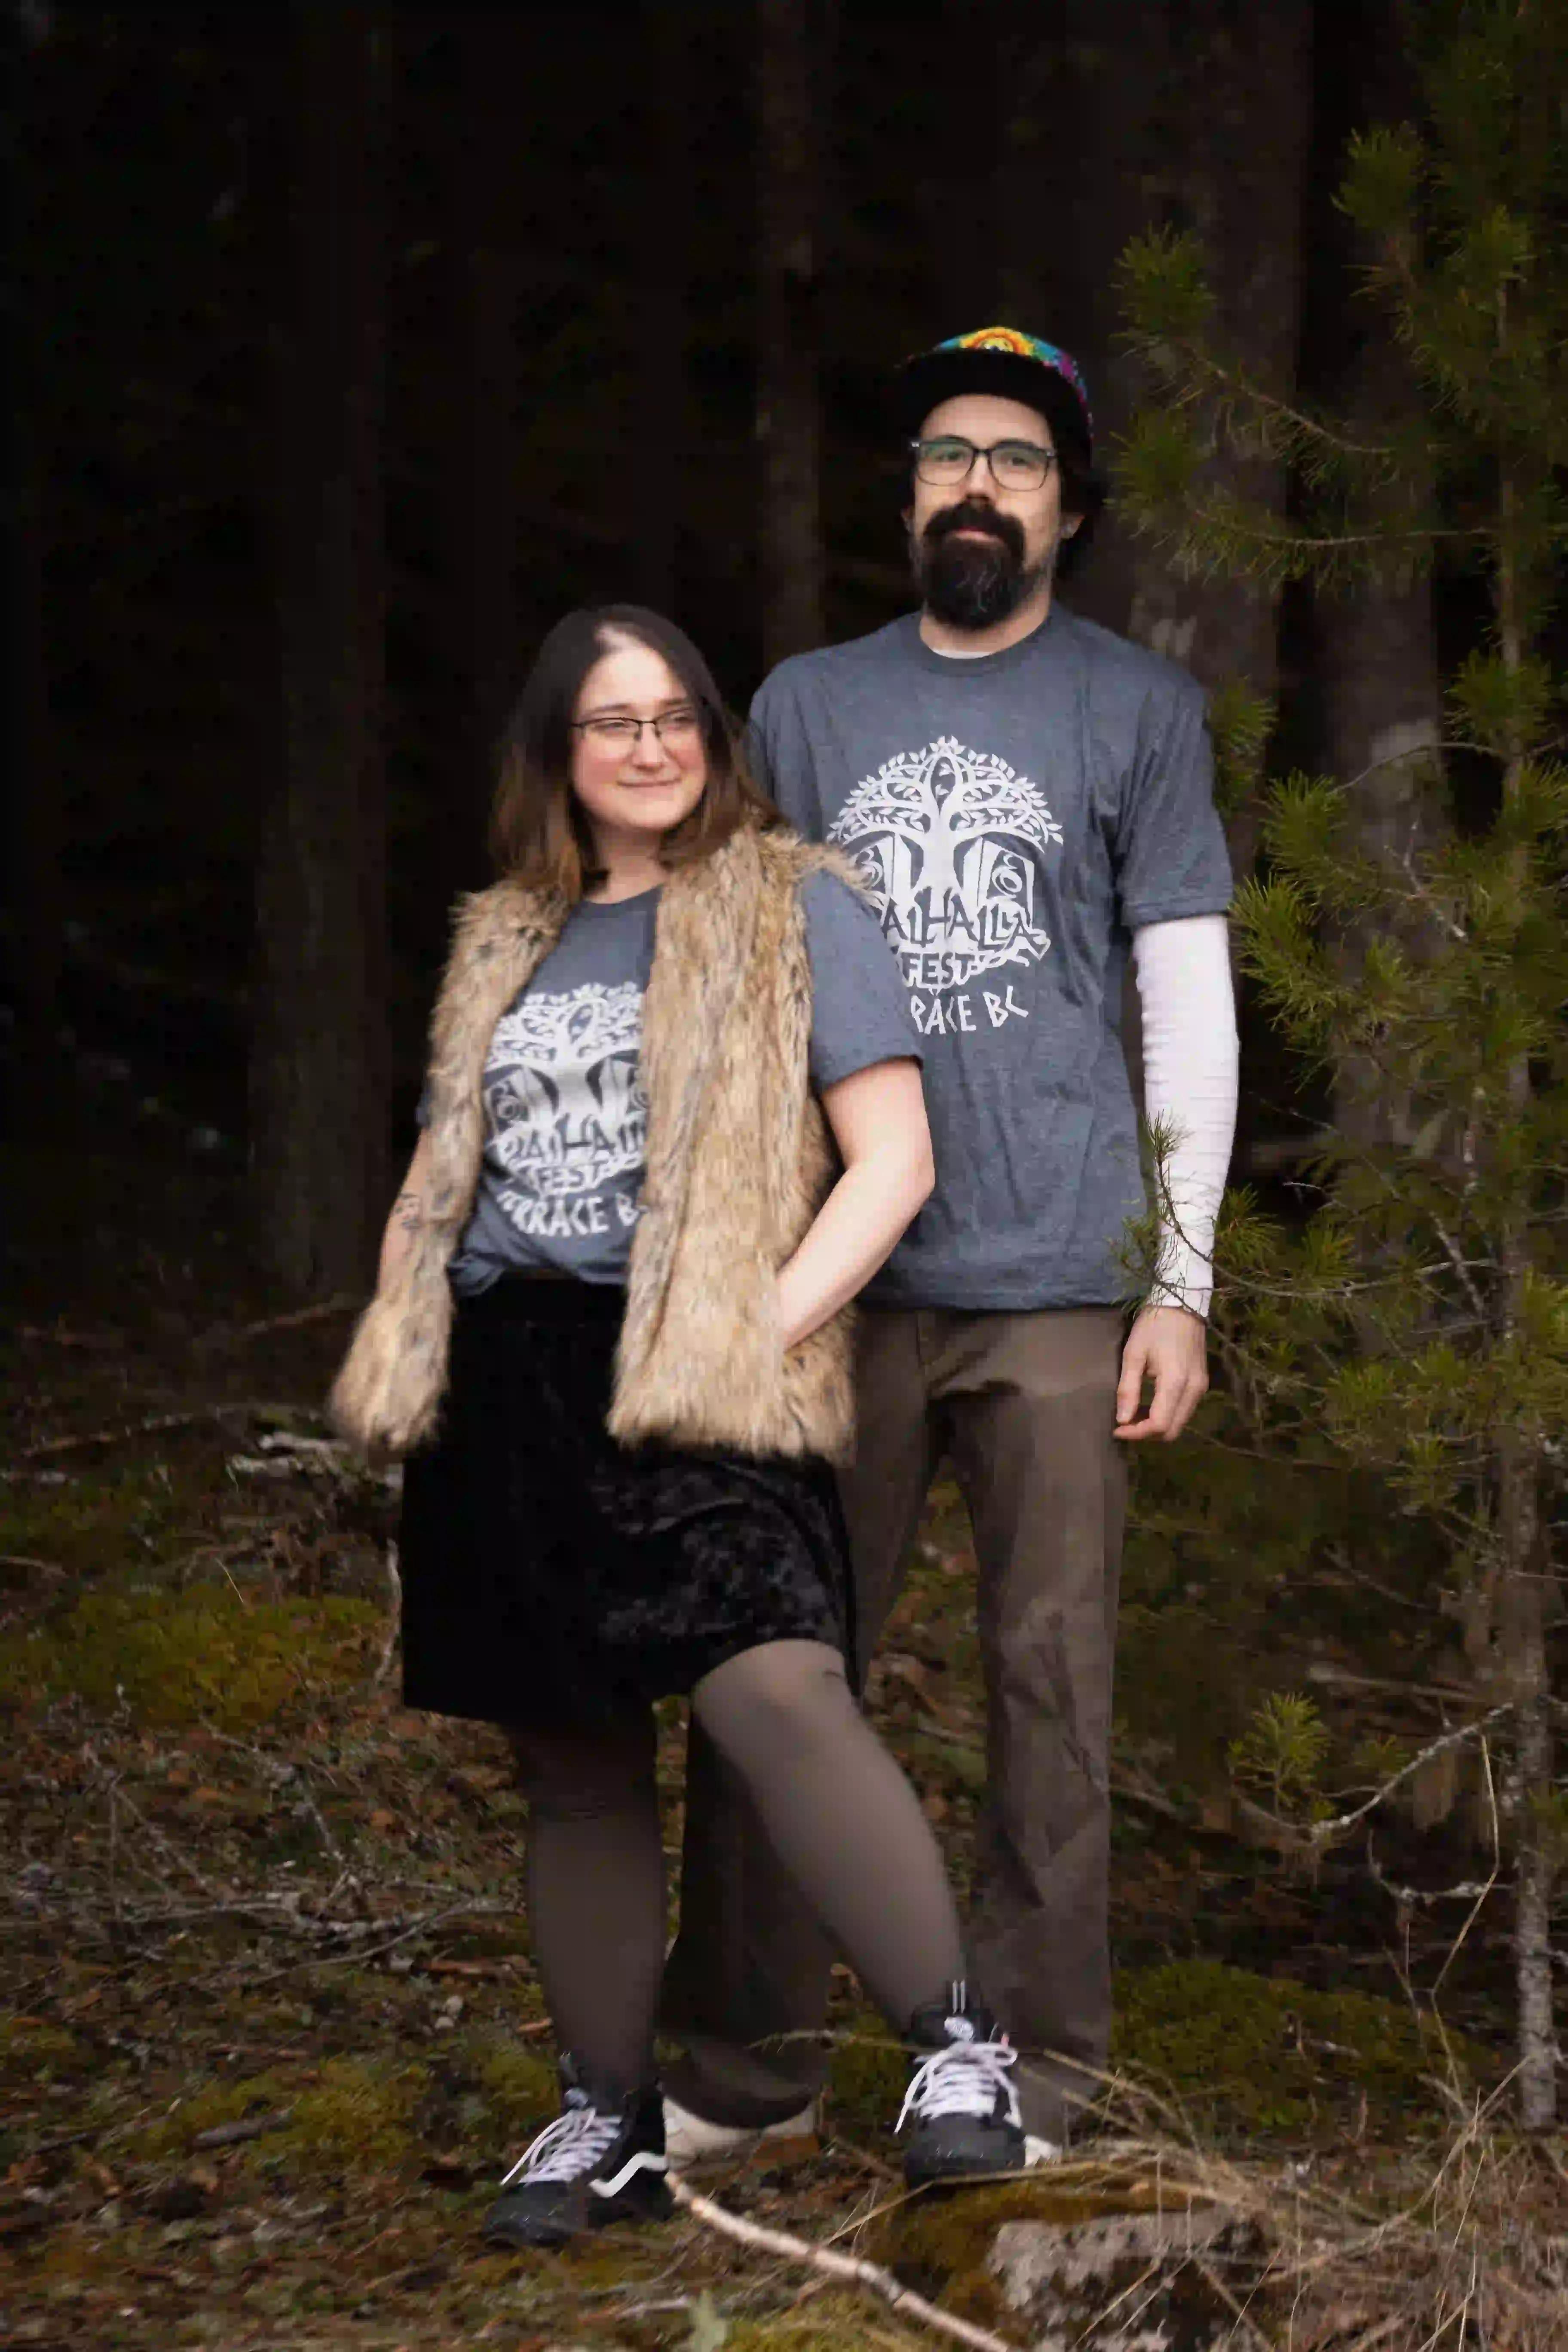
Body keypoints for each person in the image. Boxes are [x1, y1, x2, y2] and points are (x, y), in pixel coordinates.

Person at [331, 604, 1039, 2251]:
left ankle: (956, 2054)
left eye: (676, 717)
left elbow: (894, 1164)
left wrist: (747, 1328)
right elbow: (446, 1172)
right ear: (555, 753)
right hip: (510, 1382)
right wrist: (406, 1338)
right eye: (611, 720)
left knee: (779, 1690)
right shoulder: (504, 932)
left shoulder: (793, 905)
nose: (651, 746)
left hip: (706, 1372)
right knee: (574, 1769)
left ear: (714, 738)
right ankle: (609, 2119)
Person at [660, 330, 1239, 2162]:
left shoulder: (1133, 708)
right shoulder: (809, 707)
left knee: (1052, 1681)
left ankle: (1034, 2071)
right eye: (943, 456)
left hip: (1064, 1276)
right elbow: (740, 990)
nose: (975, 485)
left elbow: (1188, 1000)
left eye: (1016, 460)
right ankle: (739, 2067)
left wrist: (1186, 1280)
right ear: (907, 494)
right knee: (772, 1660)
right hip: (841, 1279)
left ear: (1068, 506)